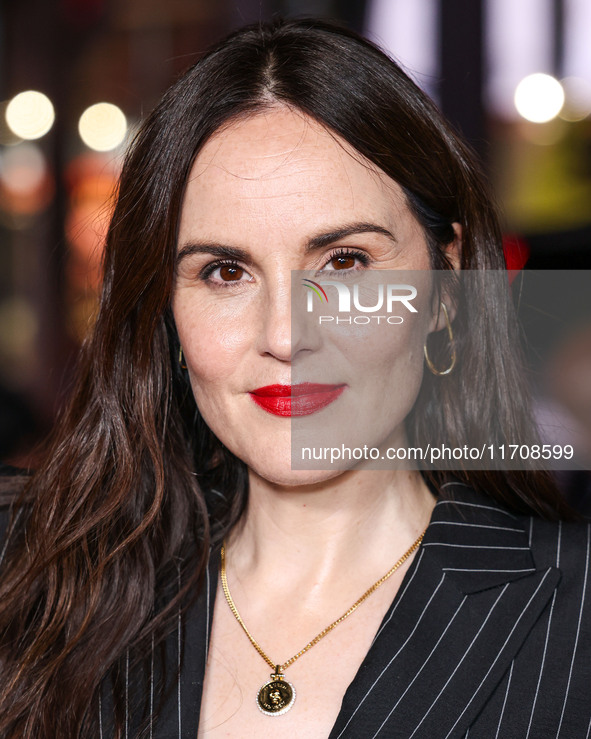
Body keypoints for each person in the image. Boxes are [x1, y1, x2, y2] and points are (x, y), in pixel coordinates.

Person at [0, 17, 589, 739]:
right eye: (224, 272)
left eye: (343, 262)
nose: (284, 335)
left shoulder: (575, 609)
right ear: (167, 311)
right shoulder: (32, 577)